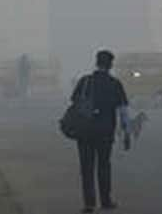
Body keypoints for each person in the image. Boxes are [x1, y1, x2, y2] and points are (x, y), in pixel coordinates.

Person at [71, 50, 131, 213]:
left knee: (86, 167)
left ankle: (89, 203)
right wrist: (127, 133)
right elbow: (124, 111)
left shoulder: (84, 82)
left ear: (96, 62)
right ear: (111, 65)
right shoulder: (115, 84)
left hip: (84, 131)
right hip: (105, 131)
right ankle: (105, 201)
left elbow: (74, 102)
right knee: (104, 166)